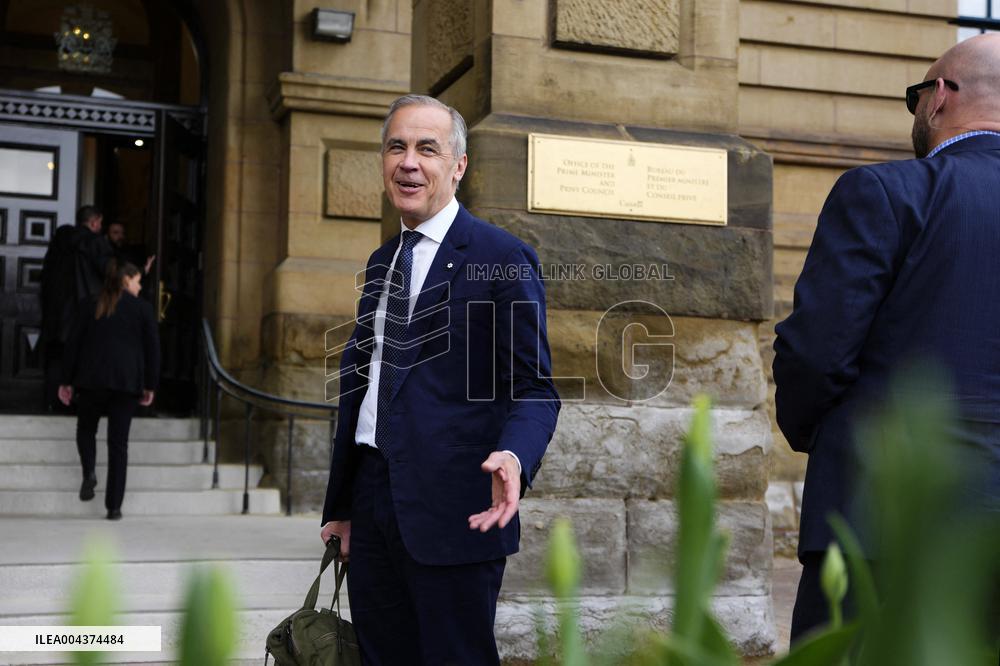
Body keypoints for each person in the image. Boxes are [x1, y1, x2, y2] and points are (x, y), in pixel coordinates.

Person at [773, 33, 1000, 641]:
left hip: (879, 524)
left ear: (939, 97)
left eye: (915, 98)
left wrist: (816, 433)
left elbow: (815, 353)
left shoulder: (885, 192)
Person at [319, 94, 560, 664]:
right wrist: (343, 505)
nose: (409, 162)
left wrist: (515, 456)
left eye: (427, 149)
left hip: (456, 510)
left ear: (458, 166)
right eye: (396, 147)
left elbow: (535, 390)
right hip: (374, 507)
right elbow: (365, 388)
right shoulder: (381, 263)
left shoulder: (502, 258)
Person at [59, 259, 160, 521]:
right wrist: (151, 385)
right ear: (127, 280)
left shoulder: (91, 303)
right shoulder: (143, 309)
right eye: (139, 281)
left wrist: (65, 380)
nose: (140, 287)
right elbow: (152, 351)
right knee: (119, 445)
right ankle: (113, 507)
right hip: (126, 384)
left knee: (86, 429)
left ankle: (89, 472)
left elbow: (73, 344)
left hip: (91, 380)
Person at [39, 223, 79, 412]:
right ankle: (62, 403)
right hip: (68, 325)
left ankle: (50, 402)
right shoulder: (74, 263)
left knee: (53, 363)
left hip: (51, 324)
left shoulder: (51, 261)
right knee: (64, 364)